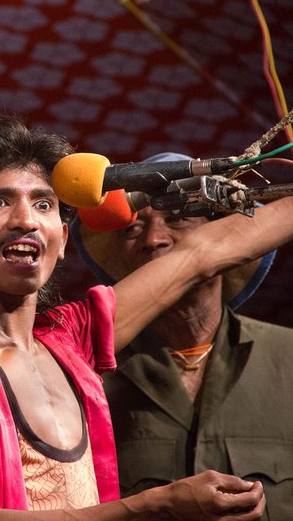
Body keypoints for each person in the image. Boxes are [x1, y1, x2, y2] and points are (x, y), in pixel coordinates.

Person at [0, 116, 293, 519]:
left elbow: (200, 255)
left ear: (64, 240)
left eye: (43, 204)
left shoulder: (69, 341)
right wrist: (155, 504)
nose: (26, 220)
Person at [71, 152, 293, 520]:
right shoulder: (84, 374)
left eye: (177, 218)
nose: (155, 239)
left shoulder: (287, 356)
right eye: (132, 229)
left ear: (226, 235)